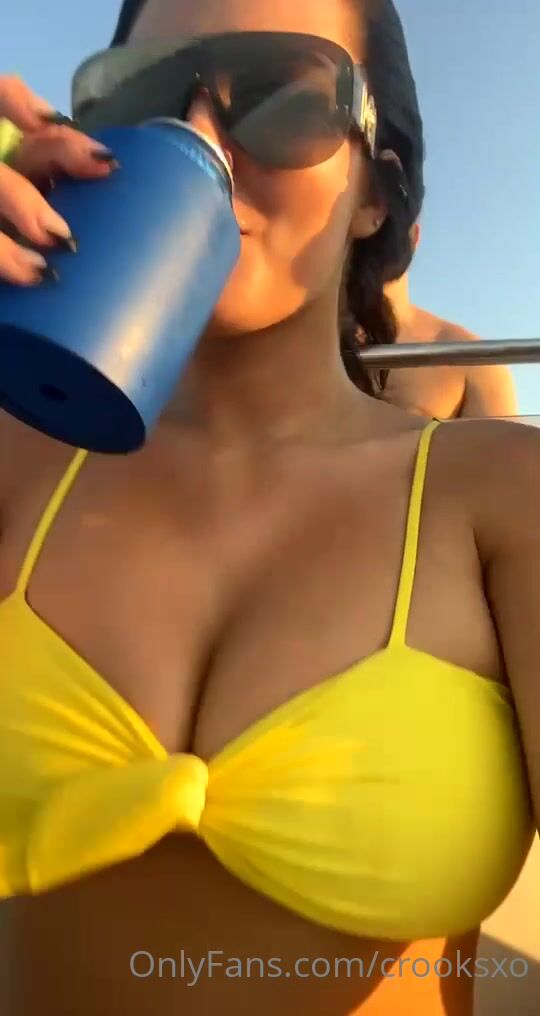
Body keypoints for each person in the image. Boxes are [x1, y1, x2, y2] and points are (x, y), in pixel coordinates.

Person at [0, 2, 538, 1015]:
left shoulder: (502, 498)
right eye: (144, 96)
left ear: (375, 193)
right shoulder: (17, 455)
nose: (202, 140)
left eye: (285, 99)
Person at [381, 223, 520, 418]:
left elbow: (499, 439)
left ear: (414, 236)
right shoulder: (473, 359)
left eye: (387, 220)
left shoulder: (475, 362)